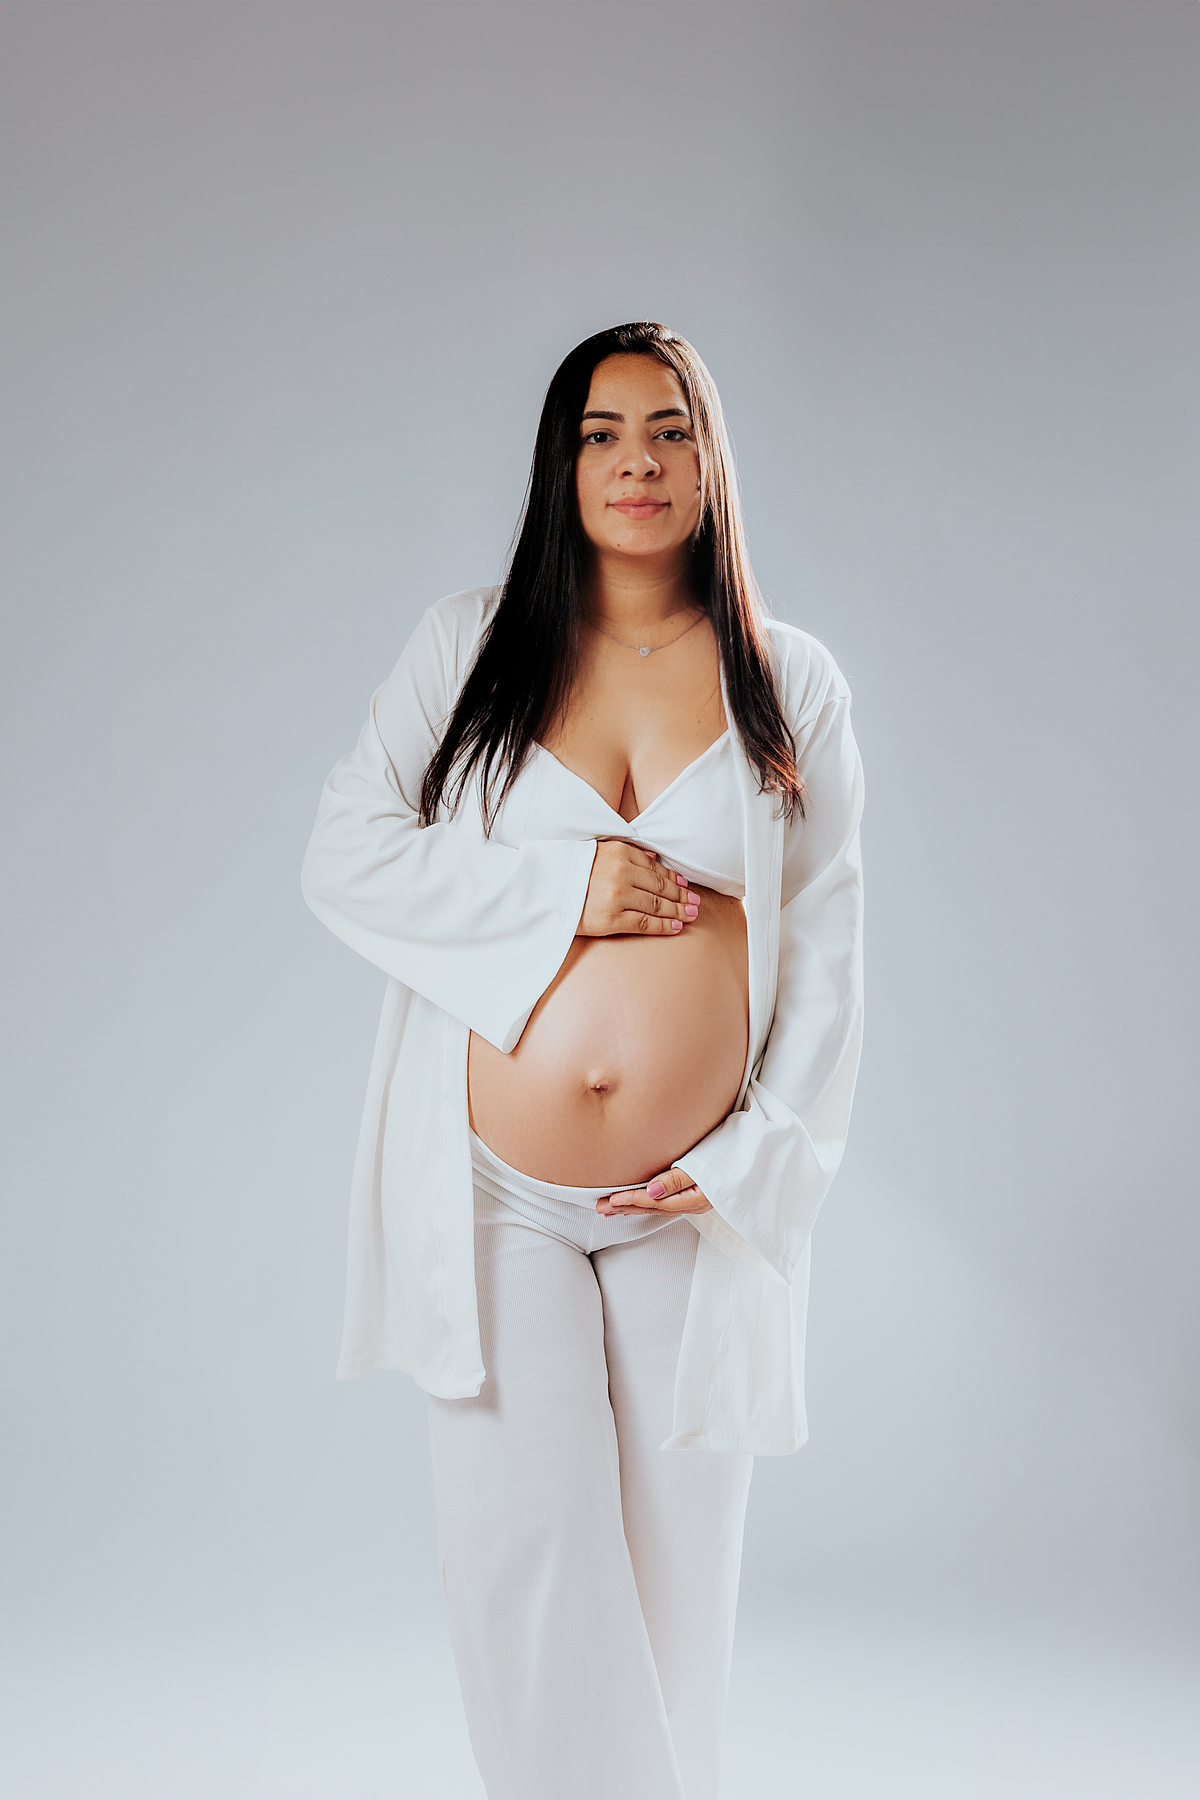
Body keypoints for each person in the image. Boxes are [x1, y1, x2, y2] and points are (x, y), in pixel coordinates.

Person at [301, 321, 865, 1800]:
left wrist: (756, 1158)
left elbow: (826, 945)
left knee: (675, 1602)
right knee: (530, 1569)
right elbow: (344, 852)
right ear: (561, 466)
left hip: (688, 1200)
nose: (636, 462)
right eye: (601, 434)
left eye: (669, 430)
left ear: (710, 460)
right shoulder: (470, 647)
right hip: (498, 1195)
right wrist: (562, 894)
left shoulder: (788, 680)